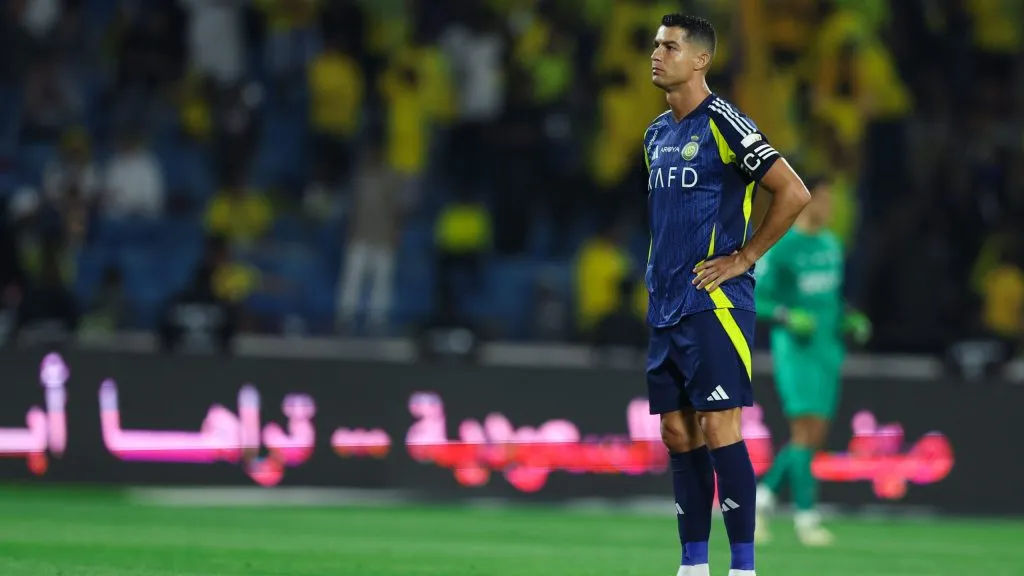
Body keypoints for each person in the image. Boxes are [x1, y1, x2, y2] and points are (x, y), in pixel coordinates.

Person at [644, 14, 811, 576]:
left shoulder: (724, 121)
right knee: (676, 430)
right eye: (656, 45)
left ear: (700, 60)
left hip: (715, 301)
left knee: (720, 426)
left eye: (670, 46)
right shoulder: (655, 134)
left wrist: (745, 258)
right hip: (666, 303)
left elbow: (792, 191)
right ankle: (693, 566)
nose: (657, 54)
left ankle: (743, 568)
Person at [752, 177, 871, 546]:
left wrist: (847, 317)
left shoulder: (832, 245)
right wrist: (787, 315)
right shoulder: (782, 245)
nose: (829, 207)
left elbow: (831, 298)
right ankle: (806, 519)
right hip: (796, 351)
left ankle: (758, 503)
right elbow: (755, 298)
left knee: (812, 437)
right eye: (822, 199)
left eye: (831, 199)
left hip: (827, 350)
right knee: (804, 433)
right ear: (804, 200)